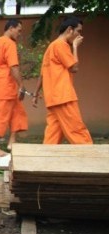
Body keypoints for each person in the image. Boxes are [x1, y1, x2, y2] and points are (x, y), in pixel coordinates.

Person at [32, 16, 92, 144]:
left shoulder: (51, 47)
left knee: (52, 135)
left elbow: (42, 74)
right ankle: (91, 158)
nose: (79, 35)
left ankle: (46, 161)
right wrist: (75, 47)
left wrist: (36, 93)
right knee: (77, 130)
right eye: (78, 31)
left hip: (53, 98)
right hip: (63, 96)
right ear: (70, 30)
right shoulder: (61, 45)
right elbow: (74, 67)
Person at [0, 19, 28, 157]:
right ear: (11, 28)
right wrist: (21, 85)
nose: (20, 33)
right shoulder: (9, 44)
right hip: (5, 86)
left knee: (18, 112)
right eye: (19, 30)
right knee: (1, 116)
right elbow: (13, 66)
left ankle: (12, 141)